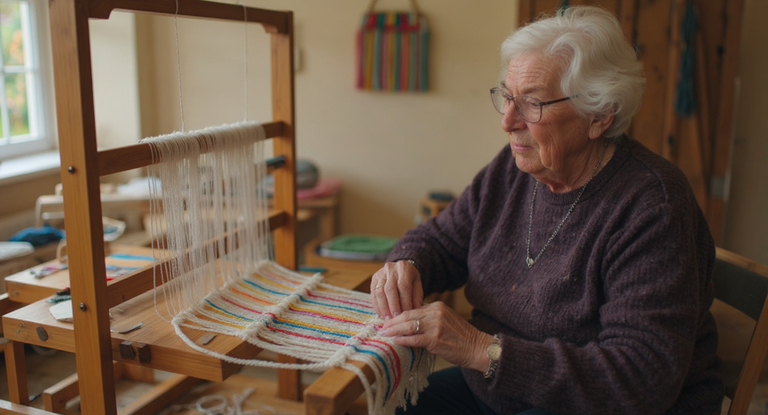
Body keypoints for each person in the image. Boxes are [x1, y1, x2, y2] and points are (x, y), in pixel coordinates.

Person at [373, 6, 723, 415]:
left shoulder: (652, 205)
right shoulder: (516, 168)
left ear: (599, 115)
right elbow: (441, 238)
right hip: (496, 392)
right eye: (506, 96)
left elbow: (641, 377)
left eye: (532, 104)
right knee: (383, 404)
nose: (507, 121)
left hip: (602, 405)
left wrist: (476, 347)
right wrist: (407, 263)